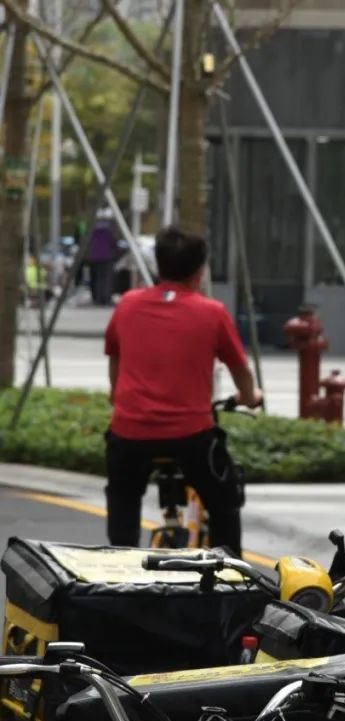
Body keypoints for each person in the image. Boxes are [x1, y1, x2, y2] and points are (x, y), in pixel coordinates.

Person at [103, 226, 262, 556]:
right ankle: (230, 574)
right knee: (224, 501)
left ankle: (120, 563)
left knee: (122, 497)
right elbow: (240, 370)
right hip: (190, 435)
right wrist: (250, 397)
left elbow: (115, 363)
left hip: (130, 433)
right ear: (200, 271)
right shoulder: (212, 312)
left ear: (158, 265)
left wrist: (118, 396)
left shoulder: (127, 305)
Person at [86, 209, 120, 306]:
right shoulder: (111, 227)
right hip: (107, 255)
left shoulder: (92, 226)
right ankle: (105, 298)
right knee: (106, 278)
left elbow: (87, 240)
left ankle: (97, 298)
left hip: (94, 255)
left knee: (96, 278)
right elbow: (114, 240)